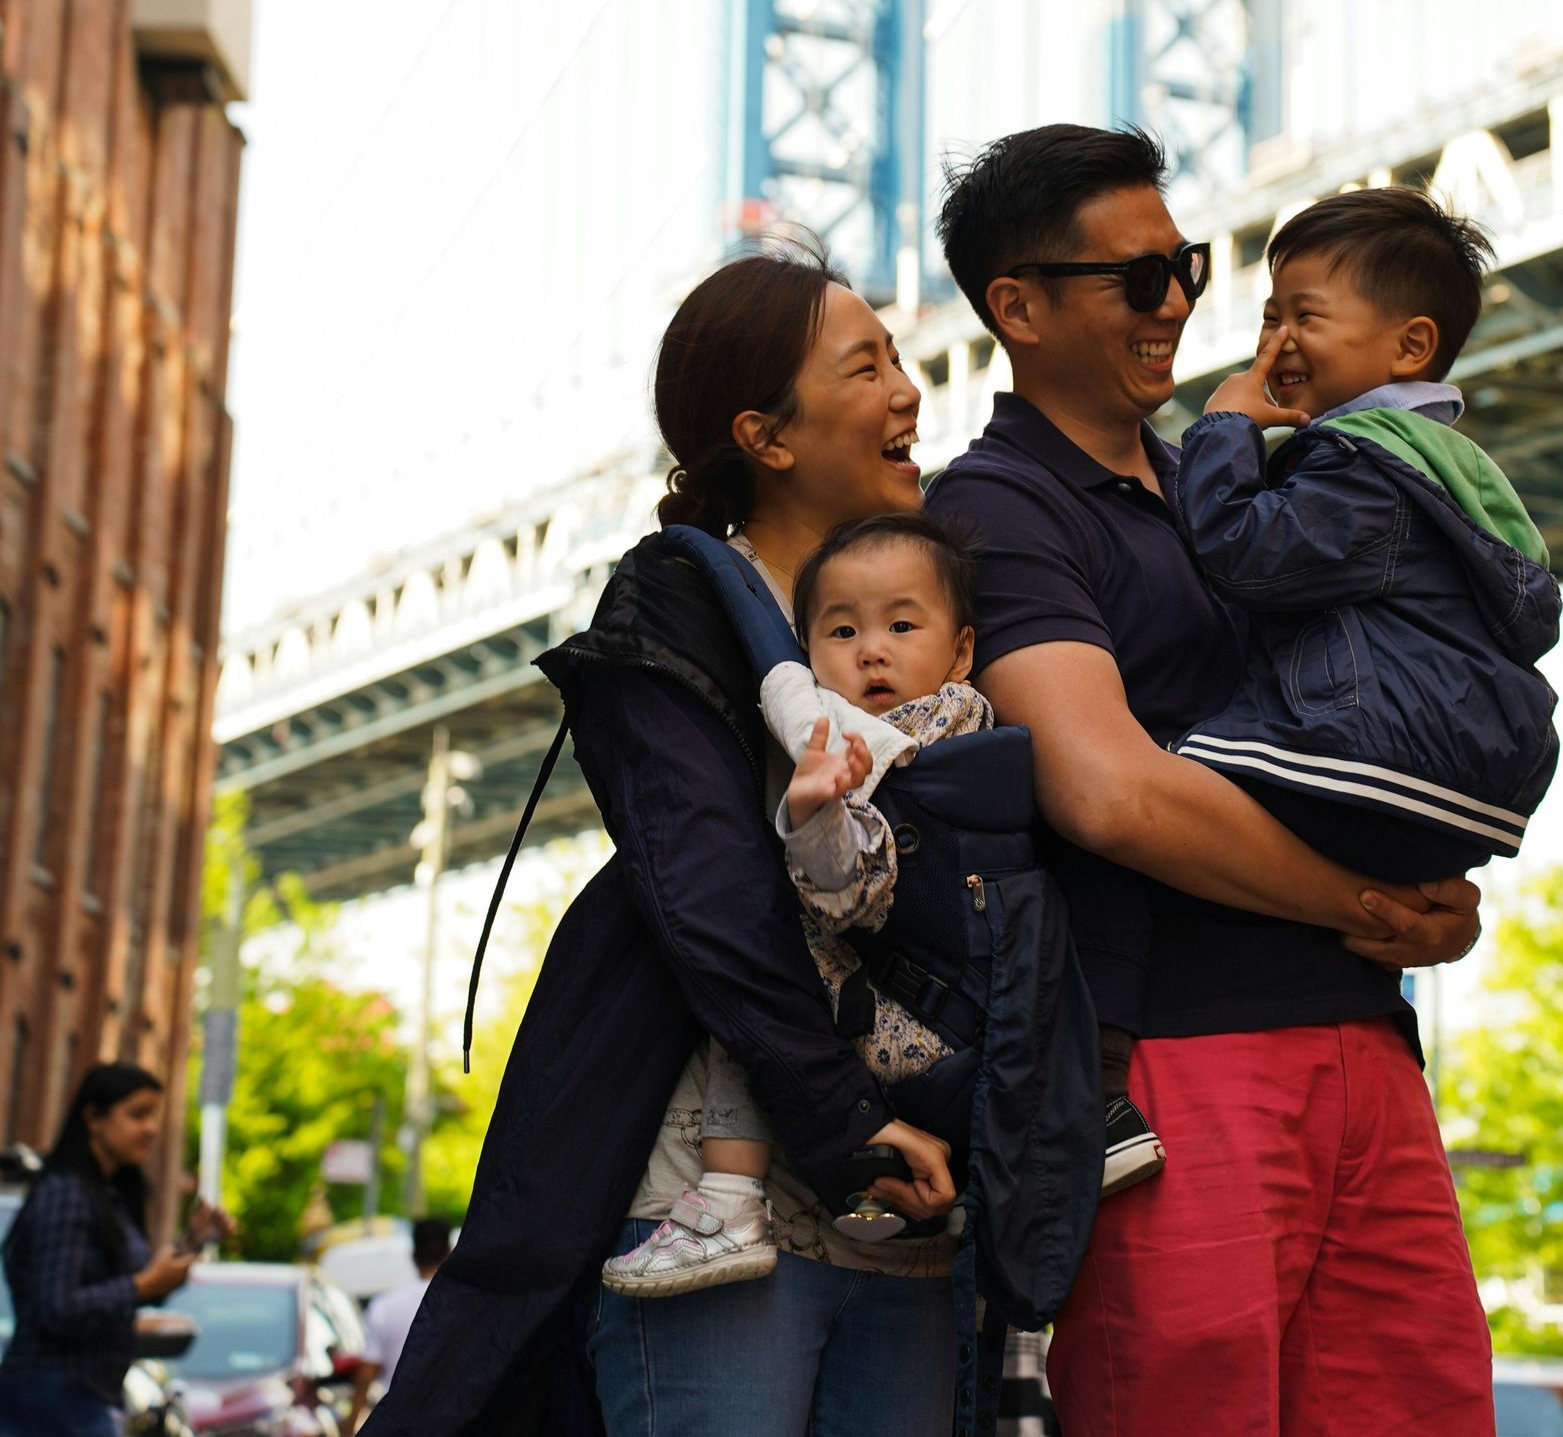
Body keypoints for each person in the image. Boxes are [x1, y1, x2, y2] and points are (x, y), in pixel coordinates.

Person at [933, 125, 1495, 1437]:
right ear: (1017, 306)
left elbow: (1376, 727)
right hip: (1178, 1061)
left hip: (1370, 1047)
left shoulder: (1242, 485)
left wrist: (1434, 895)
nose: (1180, 300)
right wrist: (1365, 900)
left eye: (1183, 265)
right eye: (1137, 279)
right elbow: (1107, 793)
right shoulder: (1000, 509)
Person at [371, 251, 966, 1437]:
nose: (909, 388)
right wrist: (844, 1120)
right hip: (713, 1216)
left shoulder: (939, 618)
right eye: (868, 365)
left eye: (903, 358)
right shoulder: (678, 603)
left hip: (915, 1209)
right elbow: (710, 893)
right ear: (767, 435)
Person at [602, 513, 989, 1296]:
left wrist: (814, 816)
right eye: (841, 632)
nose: (872, 649)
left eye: (901, 625)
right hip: (957, 1034)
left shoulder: (894, 741)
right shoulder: (974, 723)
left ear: (963, 649)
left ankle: (729, 1198)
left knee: (756, 982)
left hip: (894, 1027)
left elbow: (851, 887)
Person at [1170, 183, 1560, 878]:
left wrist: (1221, 430)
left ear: (1411, 347)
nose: (1275, 341)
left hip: (1360, 761)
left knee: (1146, 792)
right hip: (1448, 782)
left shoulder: (1363, 464)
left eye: (1306, 317)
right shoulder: (1439, 462)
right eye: (1269, 316)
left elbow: (1245, 554)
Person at [0, 1061, 225, 1437]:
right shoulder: (66, 1195)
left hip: (84, 1394)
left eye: (154, 1116)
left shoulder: (108, 1195)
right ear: (93, 1117)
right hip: (50, 1397)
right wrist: (143, 1285)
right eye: (138, 1115)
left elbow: (130, 1285)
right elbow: (56, 1308)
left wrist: (192, 1242)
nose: (151, 1129)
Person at [347, 1217, 454, 1431]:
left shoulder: (386, 1306)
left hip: (399, 1423)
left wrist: (349, 1426)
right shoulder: (465, 1304)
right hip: (451, 1421)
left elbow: (367, 1373)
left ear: (413, 1255)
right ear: (449, 1251)